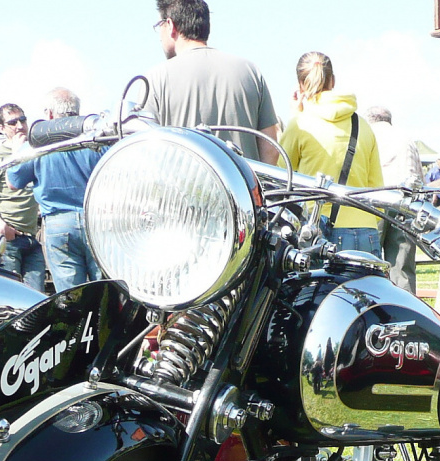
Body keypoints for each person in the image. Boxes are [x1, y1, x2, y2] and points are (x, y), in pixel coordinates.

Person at [146, 0, 279, 164]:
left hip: (181, 180)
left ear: (170, 25)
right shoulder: (250, 72)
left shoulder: (156, 78)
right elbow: (271, 150)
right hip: (242, 180)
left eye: (159, 25)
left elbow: (146, 151)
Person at [279, 51, 383, 257]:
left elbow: (282, 179)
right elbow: (376, 187)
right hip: (367, 228)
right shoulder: (363, 125)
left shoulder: (300, 124)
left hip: (319, 230)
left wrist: (296, 115)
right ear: (332, 80)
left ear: (300, 85)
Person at [8, 87, 100, 292]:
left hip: (59, 224)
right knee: (106, 291)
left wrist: (16, 152)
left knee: (71, 297)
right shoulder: (96, 137)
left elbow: (14, 181)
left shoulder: (37, 143)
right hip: (97, 221)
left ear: (49, 114)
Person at [0, 103, 45, 291]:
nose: (20, 126)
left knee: (37, 296)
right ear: (1, 128)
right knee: (11, 295)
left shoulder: (36, 151)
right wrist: (1, 226)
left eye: (23, 120)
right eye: (12, 122)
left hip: (32, 238)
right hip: (8, 240)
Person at [365, 105, 422, 292]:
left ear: (370, 120)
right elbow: (418, 176)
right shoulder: (407, 139)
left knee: (370, 262)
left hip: (375, 200)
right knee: (402, 266)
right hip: (405, 202)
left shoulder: (366, 136)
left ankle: (372, 300)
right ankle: (404, 304)